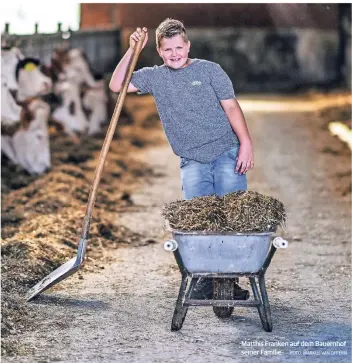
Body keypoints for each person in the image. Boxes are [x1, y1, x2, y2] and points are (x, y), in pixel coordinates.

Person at [110, 18, 253, 300]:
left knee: (231, 216)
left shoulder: (210, 70)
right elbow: (117, 86)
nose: (175, 54)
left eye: (179, 47)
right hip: (192, 159)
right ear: (159, 52)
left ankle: (228, 280)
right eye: (167, 50)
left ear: (188, 45)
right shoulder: (155, 77)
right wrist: (132, 50)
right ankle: (202, 279)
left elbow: (232, 107)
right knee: (198, 220)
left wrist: (246, 144)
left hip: (226, 152)